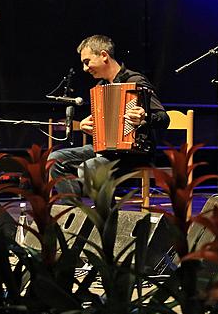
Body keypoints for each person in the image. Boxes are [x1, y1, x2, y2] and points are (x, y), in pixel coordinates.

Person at [49, 35, 169, 197]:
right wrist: (88, 126)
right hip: (106, 152)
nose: (85, 68)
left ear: (104, 55)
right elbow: (104, 127)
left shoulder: (135, 80)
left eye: (87, 62)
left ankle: (106, 217)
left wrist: (144, 118)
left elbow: (163, 118)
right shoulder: (101, 87)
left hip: (135, 154)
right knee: (55, 159)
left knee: (90, 167)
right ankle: (72, 213)